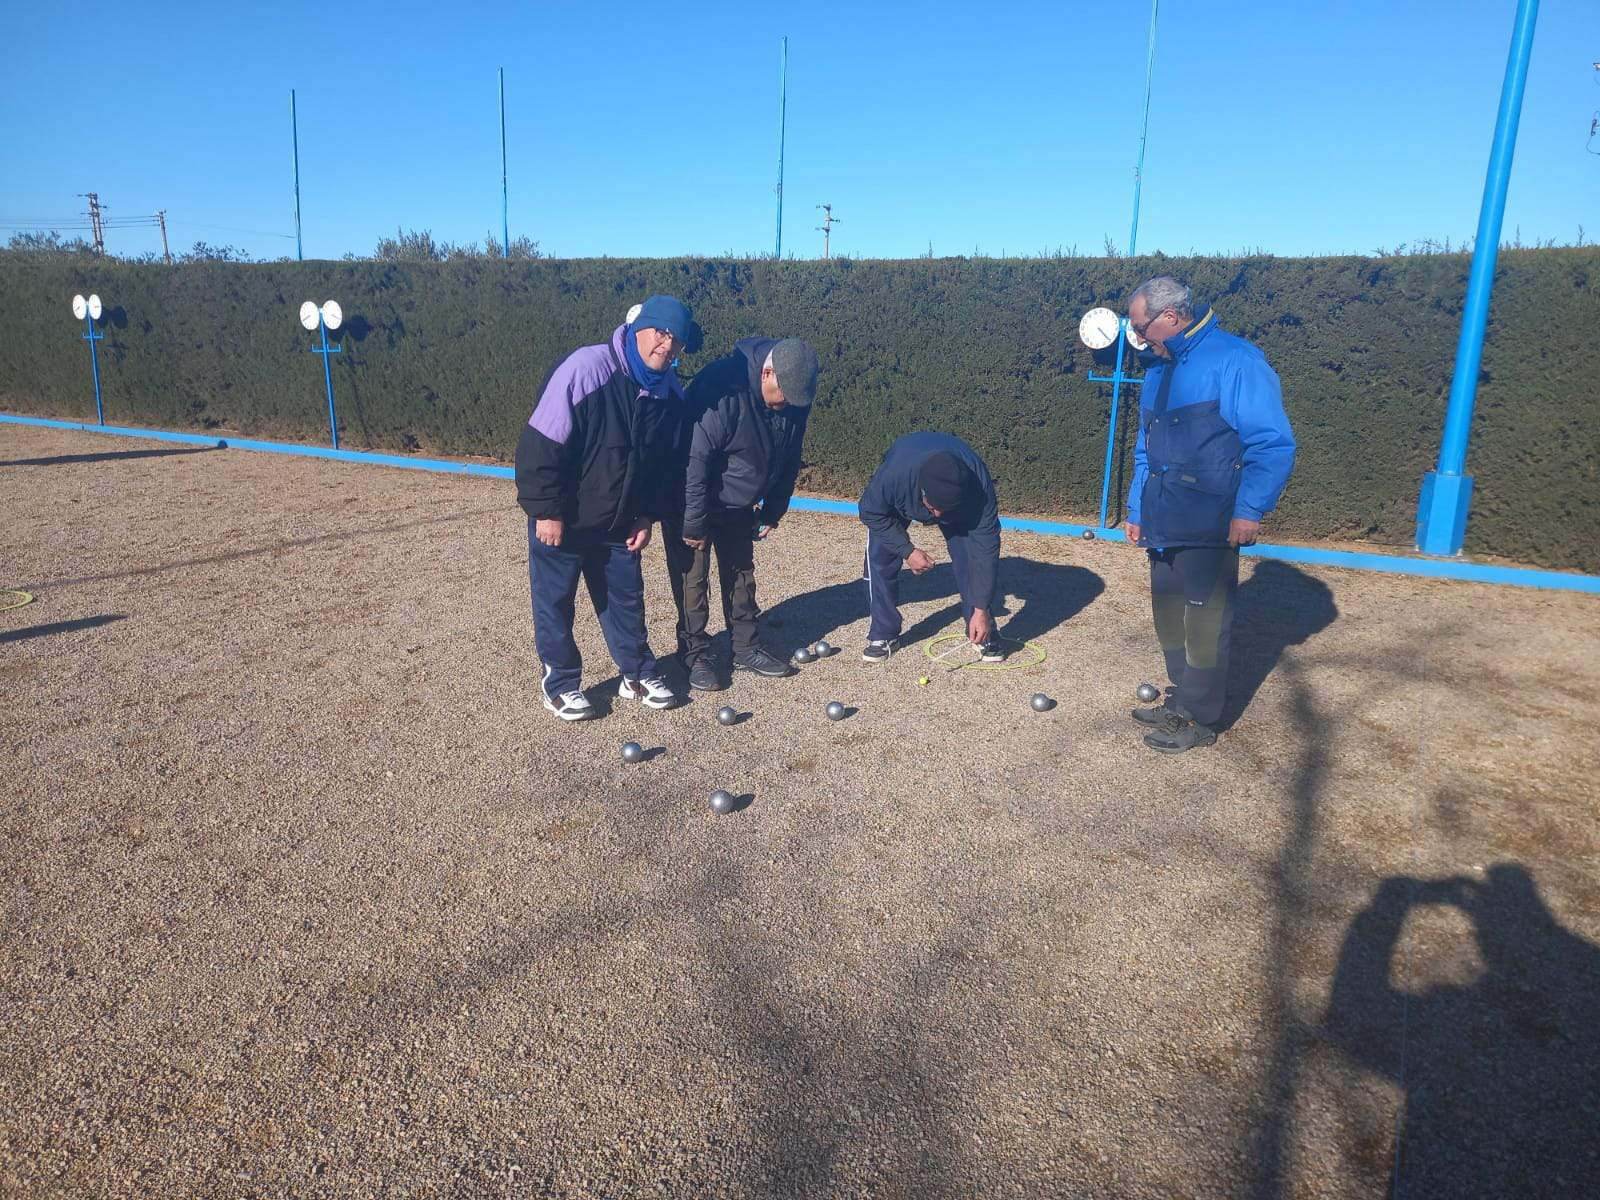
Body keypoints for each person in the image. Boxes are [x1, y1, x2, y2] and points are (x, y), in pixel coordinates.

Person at [1123, 275, 1296, 752]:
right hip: (1162, 517)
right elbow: (1146, 448)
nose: (1137, 337)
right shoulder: (1159, 368)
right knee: (1169, 615)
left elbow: (1271, 442)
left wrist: (1249, 509)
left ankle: (1200, 719)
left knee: (1204, 623)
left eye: (1141, 327)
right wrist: (1136, 508)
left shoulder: (1235, 360)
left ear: (1171, 317)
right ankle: (1183, 699)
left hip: (1210, 517)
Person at [514, 295, 691, 721]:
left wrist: (646, 514)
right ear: (637, 329)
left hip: (619, 522)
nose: (667, 345)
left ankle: (636, 673)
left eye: (677, 339)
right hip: (566, 519)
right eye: (660, 332)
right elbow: (541, 444)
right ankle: (560, 685)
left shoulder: (668, 390)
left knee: (627, 601)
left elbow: (659, 465)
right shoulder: (585, 368)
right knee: (555, 603)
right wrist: (547, 510)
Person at [664, 337, 819, 691]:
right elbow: (695, 462)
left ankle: (746, 646)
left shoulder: (794, 394)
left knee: (740, 574)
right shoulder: (720, 387)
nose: (788, 408)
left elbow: (790, 453)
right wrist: (693, 523)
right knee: (693, 579)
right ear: (767, 372)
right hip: (691, 496)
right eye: (785, 399)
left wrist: (774, 508)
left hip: (737, 501)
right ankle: (695, 653)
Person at [858, 432, 1002, 663]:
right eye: (934, 508)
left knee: (969, 559)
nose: (937, 516)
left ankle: (981, 629)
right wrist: (907, 551)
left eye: (945, 510)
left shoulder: (978, 490)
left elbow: (985, 549)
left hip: (963, 503)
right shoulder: (894, 477)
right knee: (879, 556)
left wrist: (982, 608)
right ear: (922, 491)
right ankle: (884, 633)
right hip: (903, 479)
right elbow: (870, 512)